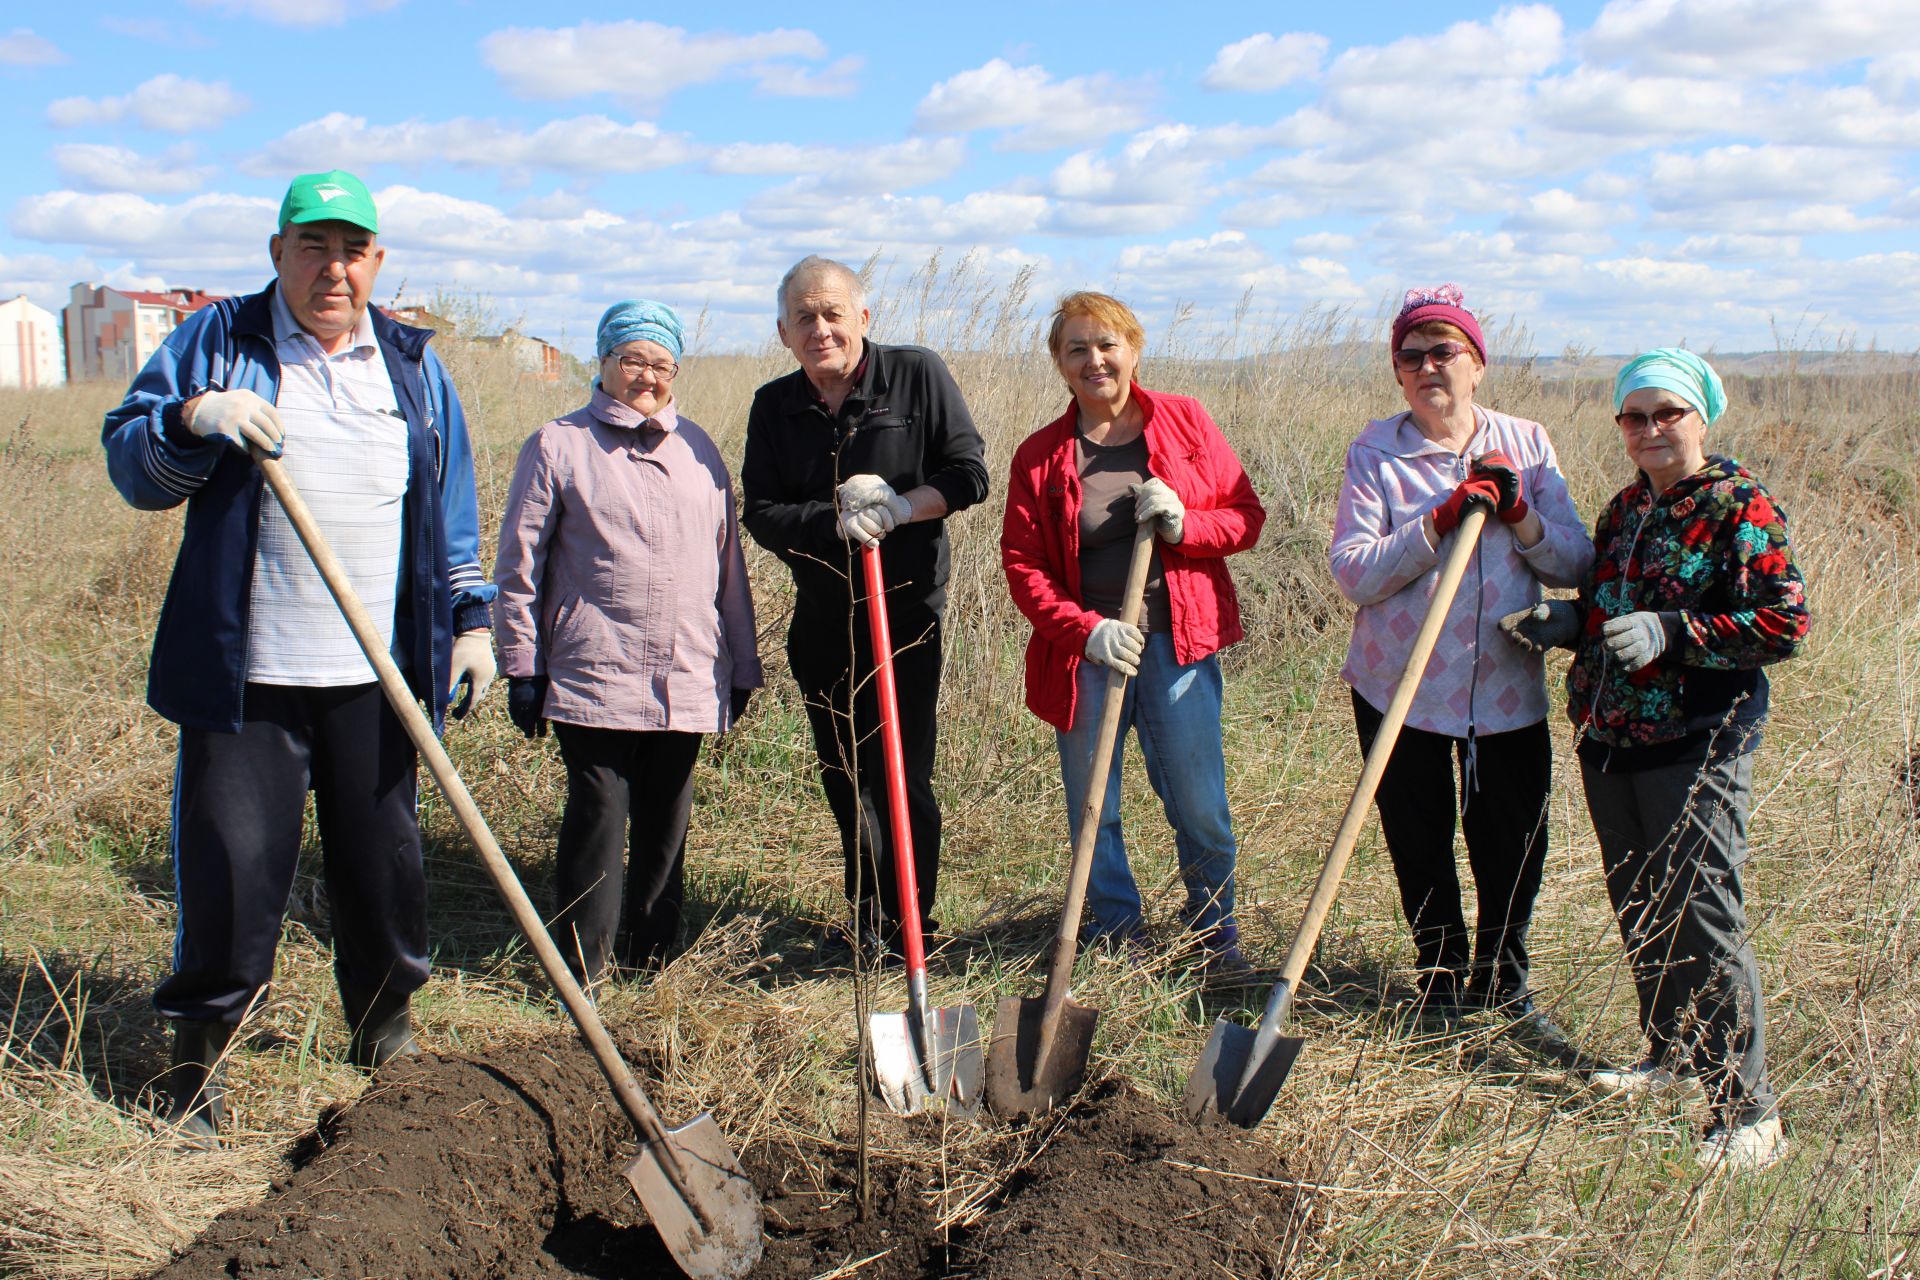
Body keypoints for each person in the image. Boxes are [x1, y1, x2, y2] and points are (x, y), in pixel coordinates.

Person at [101, 169, 496, 1145]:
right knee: (233, 866)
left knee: (384, 864)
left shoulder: (409, 362)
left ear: (377, 261)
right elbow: (130, 463)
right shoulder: (219, 341)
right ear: (278, 252)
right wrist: (192, 420)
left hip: (378, 671)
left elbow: (447, 502)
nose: (333, 268)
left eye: (351, 249)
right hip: (250, 674)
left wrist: (472, 617)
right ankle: (200, 1060)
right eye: (312, 246)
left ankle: (382, 1026)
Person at [1502, 349, 1808, 1171]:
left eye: (1667, 412)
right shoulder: (1625, 509)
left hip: (1698, 737)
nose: (1650, 430)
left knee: (1702, 909)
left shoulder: (1738, 506)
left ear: (1702, 414)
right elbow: (1610, 603)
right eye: (1634, 417)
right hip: (1610, 735)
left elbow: (1783, 622)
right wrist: (1569, 623)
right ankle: (1671, 1058)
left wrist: (1677, 635)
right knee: (1640, 899)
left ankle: (1749, 1112)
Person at [1328, 284, 1591, 1017]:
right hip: (1399, 684)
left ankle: (1503, 982)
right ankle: (1440, 979)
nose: (1427, 366)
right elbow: (1353, 571)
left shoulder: (1527, 444)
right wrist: (1436, 522)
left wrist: (1520, 514)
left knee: (1511, 839)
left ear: (1477, 363)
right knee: (1418, 839)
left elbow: (1574, 565)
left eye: (1444, 351)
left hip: (1504, 687)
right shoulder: (1377, 451)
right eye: (1410, 356)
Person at [493, 300, 762, 987]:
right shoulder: (559, 444)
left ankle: (652, 959)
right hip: (593, 669)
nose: (647, 376)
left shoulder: (699, 449)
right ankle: (584, 969)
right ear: (604, 363)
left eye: (661, 364)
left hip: (688, 671)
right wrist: (522, 665)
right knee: (599, 815)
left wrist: (742, 661)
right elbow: (519, 564)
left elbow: (727, 566)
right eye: (632, 360)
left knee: (667, 819)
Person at [1000, 292, 1265, 977]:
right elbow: (1023, 565)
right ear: (1060, 364)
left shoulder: (1185, 423)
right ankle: (1117, 927)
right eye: (1077, 349)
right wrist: (1084, 633)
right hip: (1086, 652)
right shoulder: (1039, 456)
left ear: (1134, 349)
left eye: (1108, 344)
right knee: (1094, 806)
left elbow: (1245, 516)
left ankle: (1212, 926)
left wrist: (1186, 525)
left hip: (1176, 642)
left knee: (1200, 803)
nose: (1095, 360)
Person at [740, 256, 989, 957]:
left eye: (833, 314)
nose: (820, 329)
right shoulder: (774, 405)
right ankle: (867, 922)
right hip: (824, 620)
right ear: (784, 331)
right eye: (804, 318)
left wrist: (903, 507)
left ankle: (914, 926)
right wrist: (829, 521)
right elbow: (760, 512)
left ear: (863, 319)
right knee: (846, 774)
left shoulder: (916, 375)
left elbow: (969, 474)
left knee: (902, 773)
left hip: (906, 617)